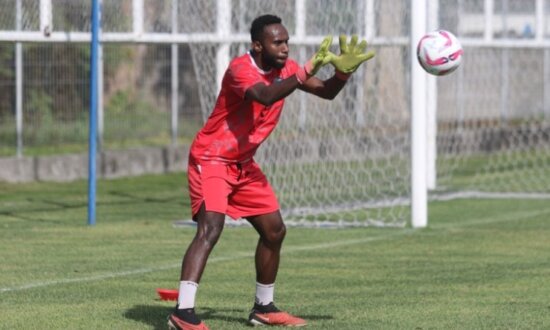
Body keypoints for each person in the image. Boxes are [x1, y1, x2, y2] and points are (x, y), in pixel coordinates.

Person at [168, 14, 375, 330]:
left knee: (274, 230)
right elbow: (265, 94)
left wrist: (343, 74)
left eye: (287, 41)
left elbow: (326, 92)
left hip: (243, 165)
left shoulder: (289, 70)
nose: (285, 48)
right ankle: (182, 313)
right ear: (257, 45)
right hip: (212, 160)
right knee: (210, 228)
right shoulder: (240, 69)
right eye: (277, 42)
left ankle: (263, 307)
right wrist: (305, 71)